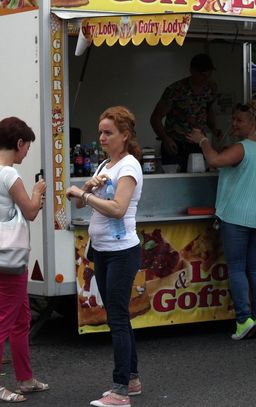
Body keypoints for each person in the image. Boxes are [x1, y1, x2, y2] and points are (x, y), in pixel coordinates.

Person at [66, 106, 143, 407]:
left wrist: (83, 194)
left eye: (108, 132)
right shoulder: (104, 166)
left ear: (125, 135)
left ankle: (120, 391)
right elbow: (85, 205)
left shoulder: (129, 166)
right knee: (117, 315)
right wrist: (88, 187)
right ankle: (131, 380)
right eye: (100, 132)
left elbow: (118, 209)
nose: (102, 138)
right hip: (103, 250)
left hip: (121, 252)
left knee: (118, 318)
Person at [186, 100, 256, 340]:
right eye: (233, 119)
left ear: (253, 122)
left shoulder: (241, 147)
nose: (234, 124)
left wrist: (203, 141)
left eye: (239, 120)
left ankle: (243, 320)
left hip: (237, 216)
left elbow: (215, 161)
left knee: (237, 267)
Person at [0, 117, 48, 403]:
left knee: (21, 318)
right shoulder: (9, 175)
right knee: (5, 320)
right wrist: (37, 192)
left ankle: (25, 378)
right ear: (19, 143)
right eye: (27, 146)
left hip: (3, 255)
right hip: (11, 258)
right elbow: (30, 211)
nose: (27, 152)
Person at [150, 53, 221, 172]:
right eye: (202, 75)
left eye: (208, 75)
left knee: (199, 177)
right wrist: (166, 139)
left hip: (198, 144)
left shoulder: (210, 89)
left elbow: (209, 110)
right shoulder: (176, 90)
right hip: (175, 144)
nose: (205, 79)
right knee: (175, 178)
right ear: (192, 71)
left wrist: (214, 128)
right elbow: (155, 118)